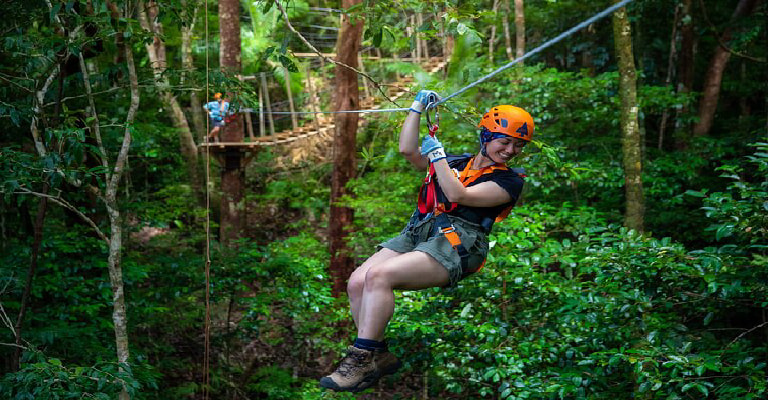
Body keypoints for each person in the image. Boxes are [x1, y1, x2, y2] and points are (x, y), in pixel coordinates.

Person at [319, 90, 534, 392]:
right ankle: (378, 354)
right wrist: (417, 109)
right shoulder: (460, 160)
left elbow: (460, 195)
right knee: (357, 282)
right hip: (422, 229)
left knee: (380, 276)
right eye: (505, 141)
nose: (511, 150)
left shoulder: (510, 181)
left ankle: (361, 357)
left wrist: (438, 157)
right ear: (486, 136)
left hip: (460, 242)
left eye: (518, 145)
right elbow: (409, 152)